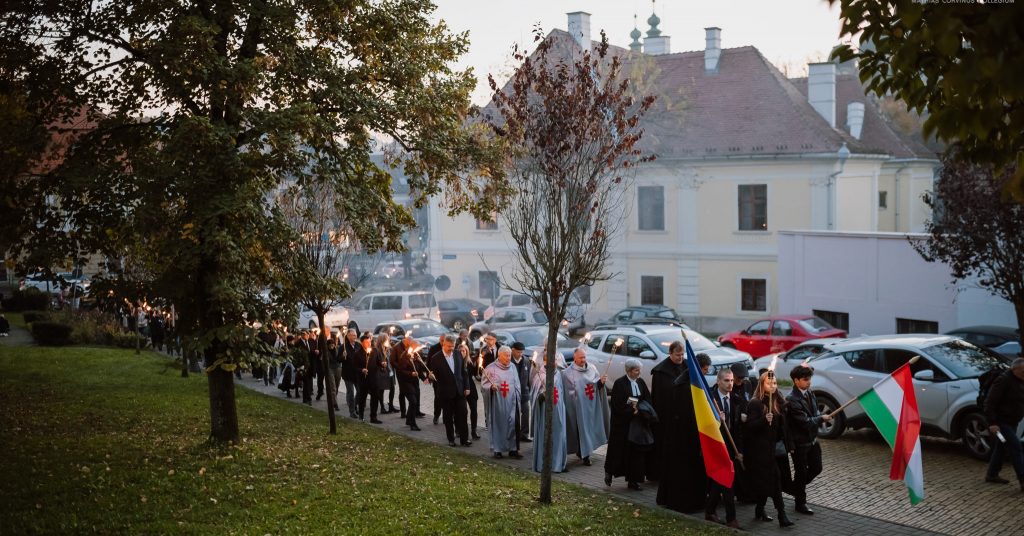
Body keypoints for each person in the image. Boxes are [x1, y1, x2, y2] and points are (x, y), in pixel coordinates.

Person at [656, 347, 709, 513]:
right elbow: (686, 415)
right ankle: (684, 503)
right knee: (683, 472)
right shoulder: (684, 387)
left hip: (687, 435)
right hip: (683, 438)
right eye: (705, 369)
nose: (707, 373)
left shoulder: (690, 382)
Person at [742, 371, 794, 528]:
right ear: (762, 385)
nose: (773, 386)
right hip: (759, 451)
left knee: (769, 481)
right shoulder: (755, 403)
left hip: (774, 450)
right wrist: (764, 420)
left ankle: (759, 508)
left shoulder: (778, 402)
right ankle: (782, 516)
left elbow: (784, 428)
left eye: (775, 383)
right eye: (769, 383)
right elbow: (749, 427)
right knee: (775, 481)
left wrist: (789, 445)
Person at [784, 364, 832, 515]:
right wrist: (820, 418)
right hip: (799, 444)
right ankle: (800, 503)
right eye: (805, 379)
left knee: (816, 468)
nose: (809, 382)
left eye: (810, 379)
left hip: (812, 441)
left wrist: (818, 416)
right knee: (801, 472)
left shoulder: (810, 393)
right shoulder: (792, 399)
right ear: (796, 380)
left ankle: (794, 488)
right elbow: (804, 421)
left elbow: (815, 411)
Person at [605, 358, 655, 490]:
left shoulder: (641, 382)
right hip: (623, 425)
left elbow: (646, 398)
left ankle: (633, 481)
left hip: (637, 423)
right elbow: (617, 404)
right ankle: (610, 472)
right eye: (636, 370)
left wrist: (642, 409)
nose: (638, 373)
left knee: (636, 454)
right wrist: (630, 411)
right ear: (629, 370)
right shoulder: (619, 384)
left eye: (639, 370)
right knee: (619, 452)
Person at [705, 368, 746, 529]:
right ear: (718, 381)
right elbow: (704, 425)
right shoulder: (710, 400)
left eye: (731, 380)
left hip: (731, 448)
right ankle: (731, 519)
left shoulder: (736, 399)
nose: (730, 384)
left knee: (719, 482)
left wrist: (740, 450)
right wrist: (717, 420)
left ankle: (709, 511)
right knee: (727, 481)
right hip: (716, 445)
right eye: (726, 381)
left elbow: (738, 430)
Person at [562, 347, 610, 466]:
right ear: (574, 358)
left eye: (584, 357)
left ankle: (585, 452)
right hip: (578, 408)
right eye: (580, 358)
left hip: (591, 406)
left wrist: (600, 383)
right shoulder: (568, 373)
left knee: (590, 430)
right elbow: (569, 393)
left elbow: (596, 386)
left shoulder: (592, 368)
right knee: (581, 431)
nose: (583, 360)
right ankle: (585, 455)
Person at [984, 357, 1024, 491]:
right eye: (1023, 371)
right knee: (1016, 447)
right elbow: (990, 403)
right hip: (1001, 423)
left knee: (1001, 447)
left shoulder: (1020, 379)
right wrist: (993, 423)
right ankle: (1022, 480)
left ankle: (992, 474)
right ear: (1015, 369)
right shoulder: (1003, 380)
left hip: (1013, 421)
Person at [648, 340, 686, 480]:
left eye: (682, 354)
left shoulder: (687, 366)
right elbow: (657, 397)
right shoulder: (660, 371)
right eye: (677, 355)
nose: (680, 358)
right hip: (666, 415)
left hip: (682, 414)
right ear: (670, 353)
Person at [427, 333, 472, 447]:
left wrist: (467, 387)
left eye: (453, 347)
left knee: (463, 414)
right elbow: (433, 375)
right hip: (445, 393)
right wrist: (430, 377)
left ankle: (464, 439)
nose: (451, 349)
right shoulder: (435, 358)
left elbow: (464, 373)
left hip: (460, 391)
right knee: (448, 417)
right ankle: (451, 439)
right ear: (444, 344)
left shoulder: (457, 354)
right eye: (449, 347)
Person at [482, 346, 523, 459]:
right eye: (506, 355)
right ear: (499, 356)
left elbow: (517, 384)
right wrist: (491, 387)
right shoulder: (491, 368)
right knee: (498, 425)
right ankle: (498, 449)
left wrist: (517, 397)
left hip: (512, 403)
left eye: (509, 355)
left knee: (513, 424)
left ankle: (513, 449)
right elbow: (484, 385)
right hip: (498, 404)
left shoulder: (513, 367)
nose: (508, 358)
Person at [530, 349, 568, 473]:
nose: (556, 362)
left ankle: (558, 464)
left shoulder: (558, 374)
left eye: (556, 359)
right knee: (546, 437)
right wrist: (541, 395)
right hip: (545, 413)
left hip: (558, 410)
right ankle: (544, 464)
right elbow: (534, 395)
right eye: (553, 359)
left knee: (559, 436)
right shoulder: (539, 376)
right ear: (546, 361)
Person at [394, 335, 428, 431]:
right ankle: (413, 424)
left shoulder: (416, 355)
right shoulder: (404, 356)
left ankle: (409, 420)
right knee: (413, 402)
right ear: (410, 346)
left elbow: (419, 370)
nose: (418, 349)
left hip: (414, 382)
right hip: (405, 382)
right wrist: (411, 373)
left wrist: (424, 378)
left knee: (414, 402)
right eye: (416, 347)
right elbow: (401, 370)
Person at [509, 342, 533, 442]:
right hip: (512, 393)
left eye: (522, 352)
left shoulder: (526, 361)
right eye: (518, 352)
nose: (520, 354)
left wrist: (529, 388)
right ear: (513, 350)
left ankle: (524, 434)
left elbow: (529, 376)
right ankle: (513, 434)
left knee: (526, 413)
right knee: (513, 414)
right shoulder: (508, 361)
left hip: (524, 392)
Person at [477, 332, 498, 431]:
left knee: (497, 403)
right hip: (487, 380)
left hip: (498, 380)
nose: (487, 341)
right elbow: (479, 366)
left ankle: (497, 422)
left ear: (495, 340)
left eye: (490, 339)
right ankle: (487, 423)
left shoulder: (501, 348)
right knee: (487, 403)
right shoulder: (483, 350)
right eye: (486, 339)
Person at [340, 329, 360, 418]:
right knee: (350, 392)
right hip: (348, 373)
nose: (354, 337)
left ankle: (354, 405)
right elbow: (338, 359)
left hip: (357, 373)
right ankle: (352, 411)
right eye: (352, 335)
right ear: (348, 336)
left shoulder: (358, 345)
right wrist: (343, 356)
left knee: (360, 391)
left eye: (355, 335)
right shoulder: (343, 347)